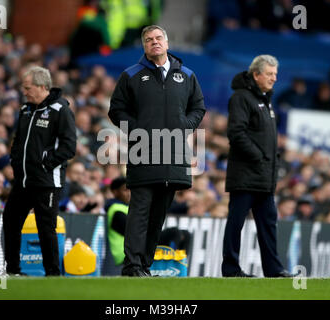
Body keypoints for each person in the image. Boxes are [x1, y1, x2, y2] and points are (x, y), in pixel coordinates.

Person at [108, 25, 206, 276]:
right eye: (149, 40)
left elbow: (198, 108)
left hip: (174, 156)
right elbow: (116, 110)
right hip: (143, 152)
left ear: (167, 41)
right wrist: (137, 129)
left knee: (158, 215)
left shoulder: (186, 75)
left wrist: (186, 125)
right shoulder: (130, 75)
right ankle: (132, 266)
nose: (154, 42)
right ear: (144, 46)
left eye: (158, 38)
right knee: (139, 211)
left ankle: (145, 265)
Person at [221, 54, 292, 278]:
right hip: (245, 175)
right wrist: (258, 157)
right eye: (270, 74)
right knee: (236, 223)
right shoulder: (242, 98)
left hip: (263, 178)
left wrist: (272, 163)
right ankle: (231, 269)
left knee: (269, 224)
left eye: (275, 75)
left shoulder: (265, 100)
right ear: (256, 74)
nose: (274, 78)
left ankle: (274, 269)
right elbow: (236, 133)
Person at [3, 66, 76, 276]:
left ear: (42, 86)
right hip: (23, 181)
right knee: (10, 220)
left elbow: (69, 146)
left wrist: (46, 163)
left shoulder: (60, 110)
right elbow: (18, 141)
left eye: (27, 88)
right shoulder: (25, 110)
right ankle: (12, 271)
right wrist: (15, 161)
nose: (24, 92)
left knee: (46, 228)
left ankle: (52, 275)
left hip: (47, 182)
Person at [105, 176, 131, 266]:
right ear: (115, 192)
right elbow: (132, 231)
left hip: (129, 253)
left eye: (130, 189)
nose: (129, 193)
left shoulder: (127, 207)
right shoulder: (115, 209)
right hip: (122, 254)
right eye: (125, 190)